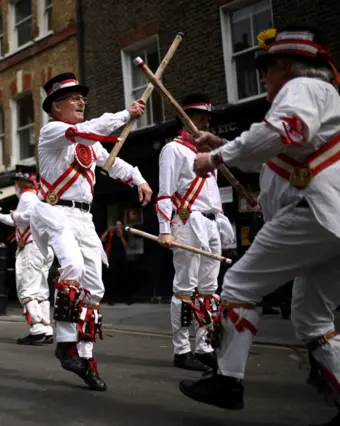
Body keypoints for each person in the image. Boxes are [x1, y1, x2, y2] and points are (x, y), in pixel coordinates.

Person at [180, 27, 340, 425]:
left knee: (237, 286)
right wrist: (221, 145)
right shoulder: (319, 98)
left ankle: (228, 381)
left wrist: (213, 161)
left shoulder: (303, 87)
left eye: (266, 70)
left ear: (287, 67)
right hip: (328, 222)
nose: (264, 79)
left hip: (311, 213)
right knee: (313, 319)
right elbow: (272, 154)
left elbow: (282, 132)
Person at [29, 72, 153, 391]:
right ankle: (66, 342)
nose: (81, 101)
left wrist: (138, 179)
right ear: (56, 106)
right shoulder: (54, 132)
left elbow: (112, 163)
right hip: (54, 211)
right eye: (73, 98)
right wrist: (126, 114)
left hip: (84, 219)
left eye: (82, 97)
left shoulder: (87, 142)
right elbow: (88, 129)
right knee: (72, 265)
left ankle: (84, 357)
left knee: (94, 289)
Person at [156, 94, 235, 371]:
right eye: (200, 116)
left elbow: (212, 196)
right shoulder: (173, 150)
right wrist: (165, 229)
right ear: (185, 118)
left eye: (207, 117)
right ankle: (182, 350)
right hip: (188, 222)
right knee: (185, 287)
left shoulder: (207, 155)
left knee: (209, 289)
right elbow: (165, 193)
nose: (206, 121)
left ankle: (203, 346)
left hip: (212, 223)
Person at [0, 165, 55, 345]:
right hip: (43, 249)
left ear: (23, 183)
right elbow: (21, 221)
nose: (15, 186)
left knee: (26, 290)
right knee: (40, 291)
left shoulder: (27, 196)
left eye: (16, 182)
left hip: (31, 249)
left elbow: (29, 216)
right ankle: (46, 328)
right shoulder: (39, 197)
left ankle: (37, 329)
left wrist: (16, 215)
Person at [100, 220, 128, 305]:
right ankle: (112, 299)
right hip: (113, 259)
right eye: (116, 225)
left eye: (119, 225)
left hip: (122, 259)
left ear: (122, 226)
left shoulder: (124, 234)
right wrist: (107, 231)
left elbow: (126, 246)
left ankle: (127, 298)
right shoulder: (111, 235)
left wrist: (121, 236)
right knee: (112, 279)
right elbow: (101, 240)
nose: (117, 227)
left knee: (124, 277)